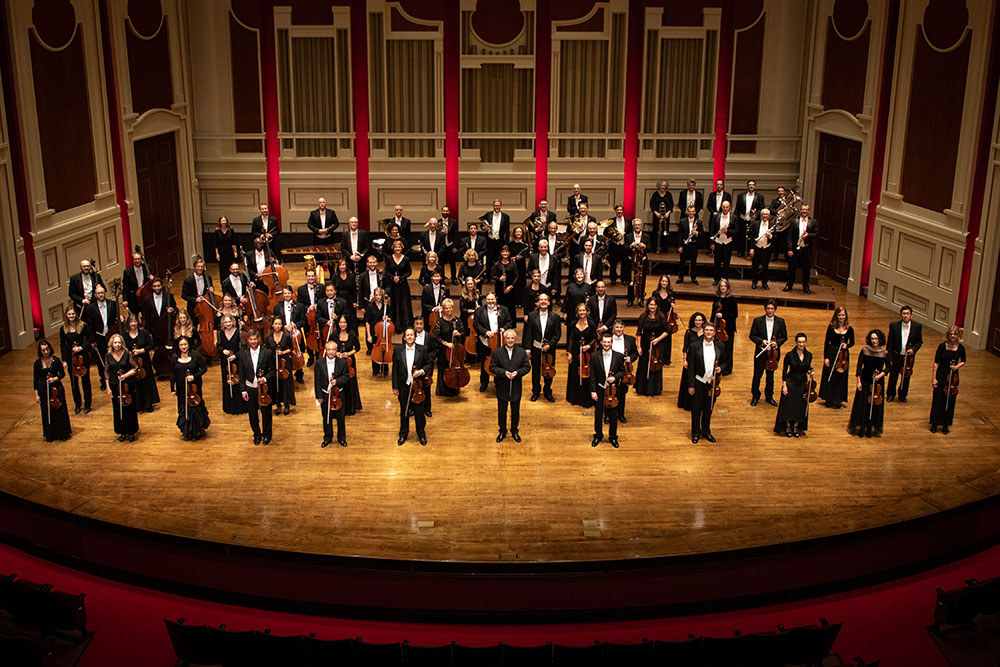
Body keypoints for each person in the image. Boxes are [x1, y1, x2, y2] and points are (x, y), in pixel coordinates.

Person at [392, 328, 432, 446]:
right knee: (404, 411)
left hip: (418, 386)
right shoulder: (398, 349)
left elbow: (429, 364)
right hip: (403, 385)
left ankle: (421, 433)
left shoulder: (423, 349)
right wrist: (395, 387)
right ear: (404, 338)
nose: (409, 337)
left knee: (419, 411)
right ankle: (403, 433)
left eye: (411, 335)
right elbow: (395, 369)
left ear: (415, 337)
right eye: (407, 335)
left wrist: (421, 371)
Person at [489, 329, 530, 442]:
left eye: (512, 338)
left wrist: (518, 373)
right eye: (508, 338)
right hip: (502, 386)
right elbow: (492, 367)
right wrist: (503, 373)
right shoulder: (497, 352)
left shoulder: (521, 352)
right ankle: (502, 431)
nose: (510, 340)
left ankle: (514, 430)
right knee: (502, 411)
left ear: (515, 339)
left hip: (516, 386)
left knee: (515, 410)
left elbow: (527, 367)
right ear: (504, 339)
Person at [848, 329, 888, 438]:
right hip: (865, 381)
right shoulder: (865, 351)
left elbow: (888, 367)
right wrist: (858, 381)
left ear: (880, 339)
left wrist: (881, 374)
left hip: (877, 383)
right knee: (863, 404)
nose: (874, 341)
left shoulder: (884, 353)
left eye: (876, 338)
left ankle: (871, 427)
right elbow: (859, 366)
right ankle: (862, 428)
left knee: (875, 405)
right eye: (872, 339)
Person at [688, 322, 723, 443]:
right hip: (698, 382)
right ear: (703, 331)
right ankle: (695, 433)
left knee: (708, 409)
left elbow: (725, 362)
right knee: (696, 409)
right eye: (707, 330)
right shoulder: (694, 346)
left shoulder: (720, 346)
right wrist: (691, 385)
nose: (708, 332)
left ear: (714, 332)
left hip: (711, 384)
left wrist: (721, 368)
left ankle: (706, 431)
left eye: (711, 330)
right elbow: (691, 367)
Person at [748, 300, 788, 406]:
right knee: (757, 375)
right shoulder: (758, 320)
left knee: (770, 376)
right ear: (765, 309)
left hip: (773, 354)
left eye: (772, 308)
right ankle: (755, 396)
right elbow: (752, 335)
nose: (770, 311)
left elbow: (784, 337)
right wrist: (761, 341)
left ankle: (769, 397)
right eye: (768, 308)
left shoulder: (781, 321)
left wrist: (776, 343)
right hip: (761, 352)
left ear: (775, 309)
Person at [589, 332, 626, 447]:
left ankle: (613, 437)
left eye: (608, 342)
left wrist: (615, 377)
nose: (606, 344)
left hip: (613, 390)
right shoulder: (595, 356)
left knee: (613, 415)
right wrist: (593, 391)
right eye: (604, 342)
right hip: (600, 389)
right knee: (598, 414)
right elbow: (592, 375)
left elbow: (622, 371)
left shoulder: (619, 356)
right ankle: (598, 435)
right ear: (601, 342)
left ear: (612, 343)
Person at [239, 329, 274, 445]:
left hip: (264, 389)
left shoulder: (267, 353)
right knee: (252, 414)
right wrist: (243, 390)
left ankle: (267, 435)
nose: (253, 341)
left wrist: (264, 378)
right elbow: (241, 373)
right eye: (251, 339)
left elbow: (273, 371)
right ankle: (257, 434)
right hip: (250, 388)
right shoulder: (243, 354)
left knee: (266, 413)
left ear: (259, 339)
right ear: (248, 340)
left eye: (255, 339)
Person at [774, 333, 813, 438]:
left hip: (802, 383)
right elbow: (784, 370)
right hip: (791, 382)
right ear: (796, 343)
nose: (801, 344)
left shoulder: (809, 355)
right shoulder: (790, 355)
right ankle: (787, 426)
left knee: (799, 406)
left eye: (803, 342)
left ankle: (795, 426)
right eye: (799, 342)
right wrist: (784, 385)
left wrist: (810, 371)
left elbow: (808, 367)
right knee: (788, 406)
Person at [523, 293, 560, 402]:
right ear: (538, 303)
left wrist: (550, 344)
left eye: (545, 300)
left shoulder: (555, 317)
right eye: (541, 300)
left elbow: (557, 335)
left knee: (549, 370)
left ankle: (548, 390)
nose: (543, 301)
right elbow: (528, 333)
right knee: (536, 371)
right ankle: (535, 391)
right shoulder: (531, 316)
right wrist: (527, 349)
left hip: (549, 350)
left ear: (548, 302)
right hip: (535, 348)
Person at [171, 337, 210, 441]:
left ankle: (197, 430)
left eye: (185, 344)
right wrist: (172, 388)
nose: (184, 347)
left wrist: (194, 376)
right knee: (184, 408)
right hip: (181, 388)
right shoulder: (175, 357)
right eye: (181, 345)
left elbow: (204, 368)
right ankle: (187, 431)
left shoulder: (196, 355)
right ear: (178, 346)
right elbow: (173, 374)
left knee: (195, 407)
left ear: (189, 345)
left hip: (194, 387)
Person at [473, 292, 513, 392]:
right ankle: (484, 383)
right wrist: (485, 332)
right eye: (488, 299)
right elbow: (476, 325)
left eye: (492, 299)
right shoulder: (479, 311)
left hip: (499, 341)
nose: (490, 301)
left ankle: (498, 382)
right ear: (485, 300)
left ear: (496, 299)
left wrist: (504, 329)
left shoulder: (503, 309)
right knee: (484, 363)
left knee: (500, 363)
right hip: (485, 341)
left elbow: (509, 322)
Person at [929, 326, 966, 434]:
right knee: (938, 400)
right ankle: (934, 424)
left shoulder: (961, 348)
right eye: (951, 334)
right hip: (941, 375)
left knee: (950, 401)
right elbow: (936, 363)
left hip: (953, 377)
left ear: (958, 335)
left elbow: (963, 361)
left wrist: (957, 367)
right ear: (948, 335)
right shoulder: (942, 346)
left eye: (955, 334)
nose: (953, 336)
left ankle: (946, 424)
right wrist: (934, 378)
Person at [34, 339, 72, 442]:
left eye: (47, 349)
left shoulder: (56, 360)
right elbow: (35, 380)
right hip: (43, 389)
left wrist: (54, 379)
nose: (46, 352)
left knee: (60, 409)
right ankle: (50, 434)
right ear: (40, 351)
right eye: (43, 350)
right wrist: (37, 395)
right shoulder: (37, 363)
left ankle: (62, 433)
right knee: (47, 411)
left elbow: (62, 374)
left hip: (56, 388)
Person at [84, 283, 120, 390]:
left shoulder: (112, 304)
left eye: (102, 292)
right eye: (98, 293)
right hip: (99, 337)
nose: (100, 295)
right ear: (95, 295)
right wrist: (92, 340)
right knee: (101, 360)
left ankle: (116, 378)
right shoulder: (90, 308)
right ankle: (104, 381)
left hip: (111, 336)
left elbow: (115, 319)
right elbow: (89, 326)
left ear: (105, 293)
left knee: (114, 357)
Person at [315, 339, 350, 448]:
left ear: (336, 351)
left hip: (338, 395)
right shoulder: (319, 363)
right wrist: (318, 396)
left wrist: (337, 381)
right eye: (328, 349)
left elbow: (346, 376)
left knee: (340, 418)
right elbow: (317, 380)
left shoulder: (342, 362)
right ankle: (327, 437)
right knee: (326, 417)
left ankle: (341, 438)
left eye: (333, 349)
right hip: (325, 394)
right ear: (325, 350)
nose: (330, 352)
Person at [105, 333, 140, 442]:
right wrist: (108, 388)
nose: (117, 345)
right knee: (117, 409)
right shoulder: (108, 355)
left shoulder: (127, 353)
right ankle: (122, 431)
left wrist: (125, 375)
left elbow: (135, 368)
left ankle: (131, 431)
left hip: (127, 385)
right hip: (114, 385)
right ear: (112, 344)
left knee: (129, 408)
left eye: (119, 342)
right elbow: (107, 373)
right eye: (115, 342)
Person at [819, 306, 855, 408]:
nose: (841, 317)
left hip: (843, 356)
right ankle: (828, 398)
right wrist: (826, 357)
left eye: (843, 315)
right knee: (829, 376)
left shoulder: (850, 329)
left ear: (846, 316)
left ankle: (837, 399)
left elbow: (852, 343)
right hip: (832, 353)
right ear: (836, 316)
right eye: (839, 315)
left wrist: (846, 345)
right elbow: (827, 342)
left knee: (840, 377)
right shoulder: (831, 327)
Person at [886, 304, 923, 403]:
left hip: (908, 357)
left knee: (906, 376)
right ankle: (890, 394)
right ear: (900, 314)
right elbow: (890, 343)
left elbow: (919, 342)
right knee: (893, 375)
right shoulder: (894, 325)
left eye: (907, 313)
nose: (905, 315)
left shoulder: (917, 326)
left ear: (911, 315)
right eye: (903, 313)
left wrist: (913, 350)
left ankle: (902, 395)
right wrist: (889, 358)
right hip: (896, 354)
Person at [60, 305, 93, 414]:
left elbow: (90, 339)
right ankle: (77, 403)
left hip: (83, 357)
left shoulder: (83, 326)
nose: (71, 316)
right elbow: (62, 345)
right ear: (66, 315)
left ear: (76, 314)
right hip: (71, 358)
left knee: (85, 381)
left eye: (73, 314)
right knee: (74, 382)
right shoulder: (63, 328)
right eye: (69, 314)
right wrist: (64, 360)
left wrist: (81, 347)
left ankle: (88, 403)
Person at [123, 315, 159, 413]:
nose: (133, 324)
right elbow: (124, 348)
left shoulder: (144, 333)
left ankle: (148, 404)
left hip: (144, 361)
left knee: (146, 382)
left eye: (135, 322)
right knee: (135, 383)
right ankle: (138, 405)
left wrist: (141, 350)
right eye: (131, 322)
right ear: (128, 324)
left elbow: (151, 345)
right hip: (132, 362)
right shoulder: (125, 335)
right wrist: (130, 353)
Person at [635, 297, 669, 397]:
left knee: (656, 365)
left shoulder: (661, 316)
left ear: (657, 306)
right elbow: (639, 333)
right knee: (644, 365)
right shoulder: (643, 316)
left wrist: (657, 339)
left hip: (658, 345)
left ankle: (655, 389)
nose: (652, 307)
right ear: (647, 305)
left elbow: (667, 331)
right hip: (645, 344)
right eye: (651, 305)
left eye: (654, 305)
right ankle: (642, 389)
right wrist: (638, 346)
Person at [273, 285, 307, 383]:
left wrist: (295, 324)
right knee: (285, 354)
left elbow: (304, 321)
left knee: (297, 353)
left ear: (292, 294)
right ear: (282, 294)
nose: (287, 295)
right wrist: (283, 326)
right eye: (285, 293)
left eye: (288, 293)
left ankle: (299, 375)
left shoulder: (299, 306)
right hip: (283, 334)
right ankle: (286, 373)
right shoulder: (277, 307)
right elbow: (275, 320)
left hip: (296, 335)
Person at [432, 298, 466, 397]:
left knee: (455, 369)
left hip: (455, 350)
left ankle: (454, 387)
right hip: (444, 350)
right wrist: (446, 343)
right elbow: (436, 336)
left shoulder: (457, 320)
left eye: (450, 308)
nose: (448, 310)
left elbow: (464, 333)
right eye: (446, 308)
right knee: (444, 369)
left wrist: (459, 334)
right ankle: (443, 390)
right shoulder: (440, 322)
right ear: (443, 309)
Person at [566, 302, 596, 408]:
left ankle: (586, 398)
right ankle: (574, 397)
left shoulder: (591, 323)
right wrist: (569, 352)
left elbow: (595, 338)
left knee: (587, 373)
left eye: (584, 310)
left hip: (587, 352)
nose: (582, 312)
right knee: (574, 372)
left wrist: (589, 345)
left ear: (587, 312)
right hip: (575, 351)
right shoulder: (573, 323)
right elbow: (570, 338)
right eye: (580, 310)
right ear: (577, 313)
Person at [264, 315, 295, 415]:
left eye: (279, 324)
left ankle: (286, 405)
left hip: (284, 362)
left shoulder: (286, 336)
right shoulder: (268, 337)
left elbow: (291, 348)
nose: (277, 326)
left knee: (285, 384)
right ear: (272, 325)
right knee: (275, 383)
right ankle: (277, 405)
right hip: (273, 362)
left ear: (282, 325)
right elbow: (266, 349)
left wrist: (283, 352)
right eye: (275, 324)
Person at [784, 204, 819, 294]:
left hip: (806, 249)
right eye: (803, 209)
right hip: (795, 249)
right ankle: (789, 285)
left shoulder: (813, 222)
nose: (804, 211)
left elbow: (816, 234)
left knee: (806, 269)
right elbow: (789, 237)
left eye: (806, 210)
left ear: (809, 211)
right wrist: (789, 249)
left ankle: (806, 286)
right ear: (800, 210)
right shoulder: (794, 221)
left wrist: (808, 235)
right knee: (791, 268)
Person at [217, 314, 246, 416]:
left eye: (229, 322)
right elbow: (218, 346)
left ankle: (239, 407)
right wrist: (223, 350)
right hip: (226, 362)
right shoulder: (220, 333)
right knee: (227, 382)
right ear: (223, 323)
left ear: (233, 322)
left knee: (238, 382)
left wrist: (236, 356)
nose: (228, 324)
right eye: (226, 322)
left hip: (236, 361)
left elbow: (243, 347)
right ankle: (229, 406)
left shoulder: (239, 333)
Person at [610, 319, 638, 423]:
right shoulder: (608, 339)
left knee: (622, 393)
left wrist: (631, 358)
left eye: (621, 327)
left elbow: (636, 353)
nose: (618, 329)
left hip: (624, 371)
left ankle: (621, 414)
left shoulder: (630, 339)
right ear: (613, 328)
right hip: (611, 369)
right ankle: (608, 415)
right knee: (609, 392)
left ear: (624, 328)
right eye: (617, 327)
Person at [333, 315, 363, 415]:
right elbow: (329, 346)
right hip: (338, 363)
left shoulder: (352, 335)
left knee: (350, 383)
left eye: (344, 322)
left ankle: (351, 407)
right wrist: (336, 353)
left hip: (349, 362)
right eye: (341, 322)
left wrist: (349, 353)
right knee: (340, 384)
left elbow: (358, 348)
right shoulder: (334, 335)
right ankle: (341, 406)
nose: (342, 324)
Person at [383, 239, 413, 329]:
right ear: (393, 248)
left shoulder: (406, 259)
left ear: (402, 248)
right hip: (393, 285)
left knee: (404, 304)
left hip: (403, 284)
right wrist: (393, 277)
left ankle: (405, 325)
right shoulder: (389, 258)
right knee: (394, 304)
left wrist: (401, 278)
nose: (397, 248)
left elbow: (409, 272)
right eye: (396, 247)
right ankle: (395, 325)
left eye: (399, 247)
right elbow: (386, 271)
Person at [678, 312, 706, 410]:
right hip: (691, 359)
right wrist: (684, 360)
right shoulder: (689, 332)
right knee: (689, 380)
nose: (698, 322)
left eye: (700, 320)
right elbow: (685, 347)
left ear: (703, 321)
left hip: (702, 360)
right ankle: (687, 403)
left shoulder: (706, 332)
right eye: (696, 320)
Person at [711, 279, 738, 375]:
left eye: (724, 286)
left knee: (728, 349)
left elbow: (735, 314)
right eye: (721, 286)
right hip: (717, 327)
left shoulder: (732, 300)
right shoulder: (716, 299)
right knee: (717, 348)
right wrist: (711, 326)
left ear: (728, 288)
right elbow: (712, 313)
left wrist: (723, 315)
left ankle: (727, 368)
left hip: (727, 328)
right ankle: (717, 367)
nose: (723, 288)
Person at [364, 287, 393, 375]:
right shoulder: (370, 306)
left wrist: (387, 318)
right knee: (375, 350)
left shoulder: (386, 306)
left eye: (380, 295)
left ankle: (385, 368)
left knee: (385, 349)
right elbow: (367, 322)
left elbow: (390, 318)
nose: (378, 297)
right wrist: (369, 335)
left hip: (383, 332)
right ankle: (375, 369)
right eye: (376, 295)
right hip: (373, 331)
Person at [734, 180, 765, 258]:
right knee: (741, 236)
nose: (751, 186)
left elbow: (761, 208)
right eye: (749, 185)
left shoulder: (760, 196)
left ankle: (750, 251)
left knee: (752, 236)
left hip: (754, 220)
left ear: (755, 186)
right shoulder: (741, 196)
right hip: (743, 218)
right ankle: (740, 251)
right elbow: (737, 208)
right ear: (747, 186)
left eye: (753, 185)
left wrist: (755, 216)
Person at [650, 275, 677, 366]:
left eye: (666, 281)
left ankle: (666, 358)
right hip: (658, 317)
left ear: (668, 283)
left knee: (667, 338)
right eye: (663, 281)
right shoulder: (655, 293)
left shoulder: (671, 294)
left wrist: (673, 306)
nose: (664, 283)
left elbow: (672, 307)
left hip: (668, 318)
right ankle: (658, 357)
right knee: (658, 337)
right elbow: (652, 305)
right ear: (660, 282)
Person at [181, 256, 215, 324]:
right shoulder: (188, 280)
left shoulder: (207, 277)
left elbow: (210, 288)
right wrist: (195, 299)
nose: (200, 268)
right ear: (194, 267)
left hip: (205, 305)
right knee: (194, 324)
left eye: (201, 267)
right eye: (198, 266)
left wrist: (211, 289)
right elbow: (184, 295)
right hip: (193, 307)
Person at [749, 207, 775, 289]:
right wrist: (751, 248)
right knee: (754, 267)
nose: (765, 216)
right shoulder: (755, 224)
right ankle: (754, 282)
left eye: (767, 214)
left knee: (765, 267)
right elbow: (751, 237)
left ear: (769, 216)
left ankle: (764, 283)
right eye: (764, 214)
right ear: (761, 215)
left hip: (767, 248)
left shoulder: (772, 225)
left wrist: (770, 236)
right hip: (757, 247)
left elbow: (776, 238)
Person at [709, 200, 735, 286]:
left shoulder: (733, 217)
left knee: (726, 262)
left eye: (727, 207)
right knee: (717, 262)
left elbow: (737, 230)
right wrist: (712, 243)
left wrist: (728, 231)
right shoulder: (716, 217)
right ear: (721, 207)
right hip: (718, 242)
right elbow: (712, 229)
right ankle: (716, 279)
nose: (725, 209)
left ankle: (725, 279)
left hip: (728, 242)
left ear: (729, 207)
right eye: (724, 207)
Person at [626, 218, 650, 307]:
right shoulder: (628, 236)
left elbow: (650, 248)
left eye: (639, 225)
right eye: (635, 225)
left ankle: (641, 300)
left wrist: (645, 246)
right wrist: (630, 246)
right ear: (633, 226)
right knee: (631, 281)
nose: (637, 226)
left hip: (642, 263)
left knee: (642, 281)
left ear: (641, 226)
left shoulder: (646, 236)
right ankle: (630, 300)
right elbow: (624, 248)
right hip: (631, 263)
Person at [604, 204, 631, 285]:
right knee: (613, 263)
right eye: (617, 210)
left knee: (625, 263)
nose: (619, 211)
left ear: (623, 211)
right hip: (614, 245)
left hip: (624, 245)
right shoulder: (611, 221)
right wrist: (613, 236)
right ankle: (613, 279)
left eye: (620, 210)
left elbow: (630, 233)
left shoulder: (629, 220)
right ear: (615, 211)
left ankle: (624, 279)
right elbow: (605, 232)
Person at [528, 239, 560, 303]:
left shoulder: (554, 258)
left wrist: (555, 287)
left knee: (548, 304)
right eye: (541, 247)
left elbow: (556, 275)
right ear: (538, 247)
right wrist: (535, 277)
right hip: (536, 286)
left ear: (547, 248)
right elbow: (529, 270)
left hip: (548, 286)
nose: (543, 249)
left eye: (545, 247)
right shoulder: (533, 257)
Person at [121, 249, 151, 316]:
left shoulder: (147, 268)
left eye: (139, 259)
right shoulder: (127, 272)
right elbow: (125, 287)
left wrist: (152, 278)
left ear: (141, 260)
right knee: (134, 317)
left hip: (145, 297)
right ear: (132, 260)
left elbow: (152, 282)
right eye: (135, 259)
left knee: (147, 316)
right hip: (133, 299)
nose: (137, 261)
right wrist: (125, 299)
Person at [332, 258, 359, 332]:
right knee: (340, 317)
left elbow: (354, 289)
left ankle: (352, 334)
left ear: (346, 266)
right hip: (339, 299)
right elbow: (333, 288)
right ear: (338, 266)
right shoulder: (335, 276)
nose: (342, 267)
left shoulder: (351, 276)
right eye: (340, 265)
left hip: (349, 299)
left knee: (352, 317)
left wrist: (355, 301)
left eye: (343, 265)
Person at [677, 204, 702, 284]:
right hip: (685, 244)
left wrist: (697, 233)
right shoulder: (682, 221)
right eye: (689, 211)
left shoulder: (699, 222)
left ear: (695, 212)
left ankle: (693, 278)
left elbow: (703, 234)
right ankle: (681, 277)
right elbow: (680, 234)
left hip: (694, 245)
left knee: (693, 262)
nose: (691, 213)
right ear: (687, 212)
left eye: (692, 211)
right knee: (682, 262)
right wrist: (680, 246)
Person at [492, 245, 519, 316]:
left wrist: (511, 286)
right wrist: (499, 278)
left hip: (510, 288)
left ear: (509, 253)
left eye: (507, 251)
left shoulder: (513, 264)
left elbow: (516, 276)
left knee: (510, 305)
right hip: (499, 288)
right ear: (501, 253)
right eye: (503, 252)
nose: (505, 253)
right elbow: (492, 275)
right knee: (500, 304)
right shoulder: (497, 264)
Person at [649, 179, 674, 252]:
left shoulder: (669, 194)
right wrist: (656, 212)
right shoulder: (655, 194)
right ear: (658, 186)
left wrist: (668, 212)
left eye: (664, 186)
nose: (662, 187)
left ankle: (664, 248)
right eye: (661, 185)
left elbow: (671, 205)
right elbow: (651, 205)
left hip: (666, 216)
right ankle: (655, 248)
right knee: (656, 231)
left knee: (665, 232)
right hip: (657, 216)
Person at [438, 206, 460, 284]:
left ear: (449, 212)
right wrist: (441, 232)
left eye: (446, 211)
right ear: (441, 211)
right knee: (441, 263)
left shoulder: (453, 222)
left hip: (450, 245)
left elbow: (456, 235)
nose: (445, 212)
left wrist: (455, 246)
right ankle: (442, 277)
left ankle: (453, 277)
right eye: (444, 211)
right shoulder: (438, 222)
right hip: (442, 246)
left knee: (452, 263)